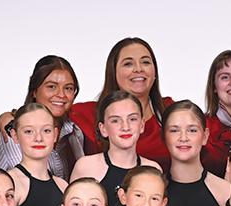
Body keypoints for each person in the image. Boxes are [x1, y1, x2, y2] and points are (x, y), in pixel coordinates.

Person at [70, 91, 161, 206]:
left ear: (142, 125)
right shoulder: (86, 166)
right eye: (115, 120)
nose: (125, 127)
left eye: (132, 119)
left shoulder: (153, 169)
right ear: (103, 129)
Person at [70, 37, 173, 169]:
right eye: (128, 64)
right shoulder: (86, 114)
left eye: (146, 62)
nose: (138, 69)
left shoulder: (170, 112)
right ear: (113, 72)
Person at [0, 56, 84, 180]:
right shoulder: (7, 132)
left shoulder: (74, 133)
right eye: (51, 86)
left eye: (68, 88)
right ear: (34, 90)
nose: (61, 94)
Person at [161, 100, 230, 206]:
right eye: (174, 130)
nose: (183, 137)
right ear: (164, 136)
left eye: (192, 130)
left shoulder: (225, 191)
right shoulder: (154, 191)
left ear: (205, 136)